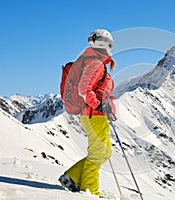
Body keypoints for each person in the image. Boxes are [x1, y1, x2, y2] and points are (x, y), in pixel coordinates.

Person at [59, 29, 116, 197]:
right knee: (98, 153)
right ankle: (91, 191)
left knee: (105, 152)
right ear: (106, 44)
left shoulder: (92, 60)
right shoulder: (95, 63)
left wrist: (106, 108)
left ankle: (72, 176)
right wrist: (98, 105)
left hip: (94, 114)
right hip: (93, 114)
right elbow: (84, 89)